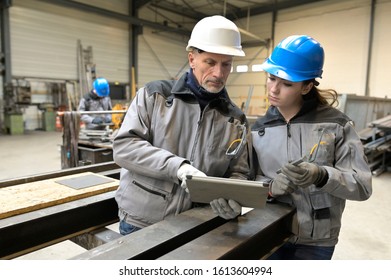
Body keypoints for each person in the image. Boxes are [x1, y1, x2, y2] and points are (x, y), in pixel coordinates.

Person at [113, 15, 252, 235]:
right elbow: (125, 148)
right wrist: (177, 168)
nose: (219, 73)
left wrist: (231, 196)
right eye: (210, 62)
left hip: (198, 223)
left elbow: (239, 171)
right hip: (143, 221)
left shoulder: (235, 119)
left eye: (226, 65)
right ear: (192, 59)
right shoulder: (155, 96)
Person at [251, 35, 372, 260]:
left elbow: (362, 186)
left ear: (307, 86)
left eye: (286, 84)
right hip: (270, 231)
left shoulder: (337, 126)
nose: (273, 90)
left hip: (317, 240)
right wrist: (269, 188)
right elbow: (246, 181)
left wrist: (322, 176)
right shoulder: (259, 129)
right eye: (271, 78)